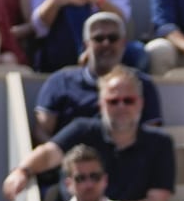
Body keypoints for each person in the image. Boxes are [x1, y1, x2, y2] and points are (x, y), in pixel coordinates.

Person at [4, 67, 173, 201]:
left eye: (128, 100)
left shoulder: (161, 143)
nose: (121, 107)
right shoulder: (82, 130)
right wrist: (22, 171)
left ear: (141, 103)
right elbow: (48, 154)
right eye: (113, 101)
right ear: (101, 104)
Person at [32, 11, 160, 141]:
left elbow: (152, 138)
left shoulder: (142, 84)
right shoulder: (60, 81)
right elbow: (41, 131)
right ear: (86, 44)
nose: (106, 44)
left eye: (113, 38)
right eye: (98, 38)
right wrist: (63, 157)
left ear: (123, 43)